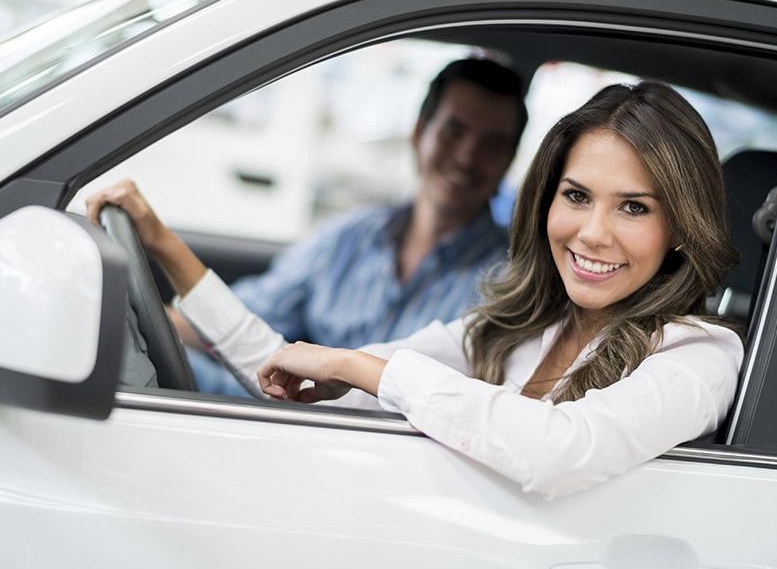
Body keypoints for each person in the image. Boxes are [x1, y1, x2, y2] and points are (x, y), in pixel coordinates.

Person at [87, 82, 743, 499]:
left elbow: (558, 452)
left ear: (681, 228)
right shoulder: (513, 328)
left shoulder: (698, 355)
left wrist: (361, 368)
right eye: (575, 197)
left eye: (633, 208)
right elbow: (282, 367)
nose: (592, 233)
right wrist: (160, 242)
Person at [175, 57, 529, 396]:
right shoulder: (350, 236)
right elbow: (249, 314)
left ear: (508, 161)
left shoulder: (509, 283)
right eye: (455, 131)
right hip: (283, 420)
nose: (466, 157)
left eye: (491, 145)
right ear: (420, 132)